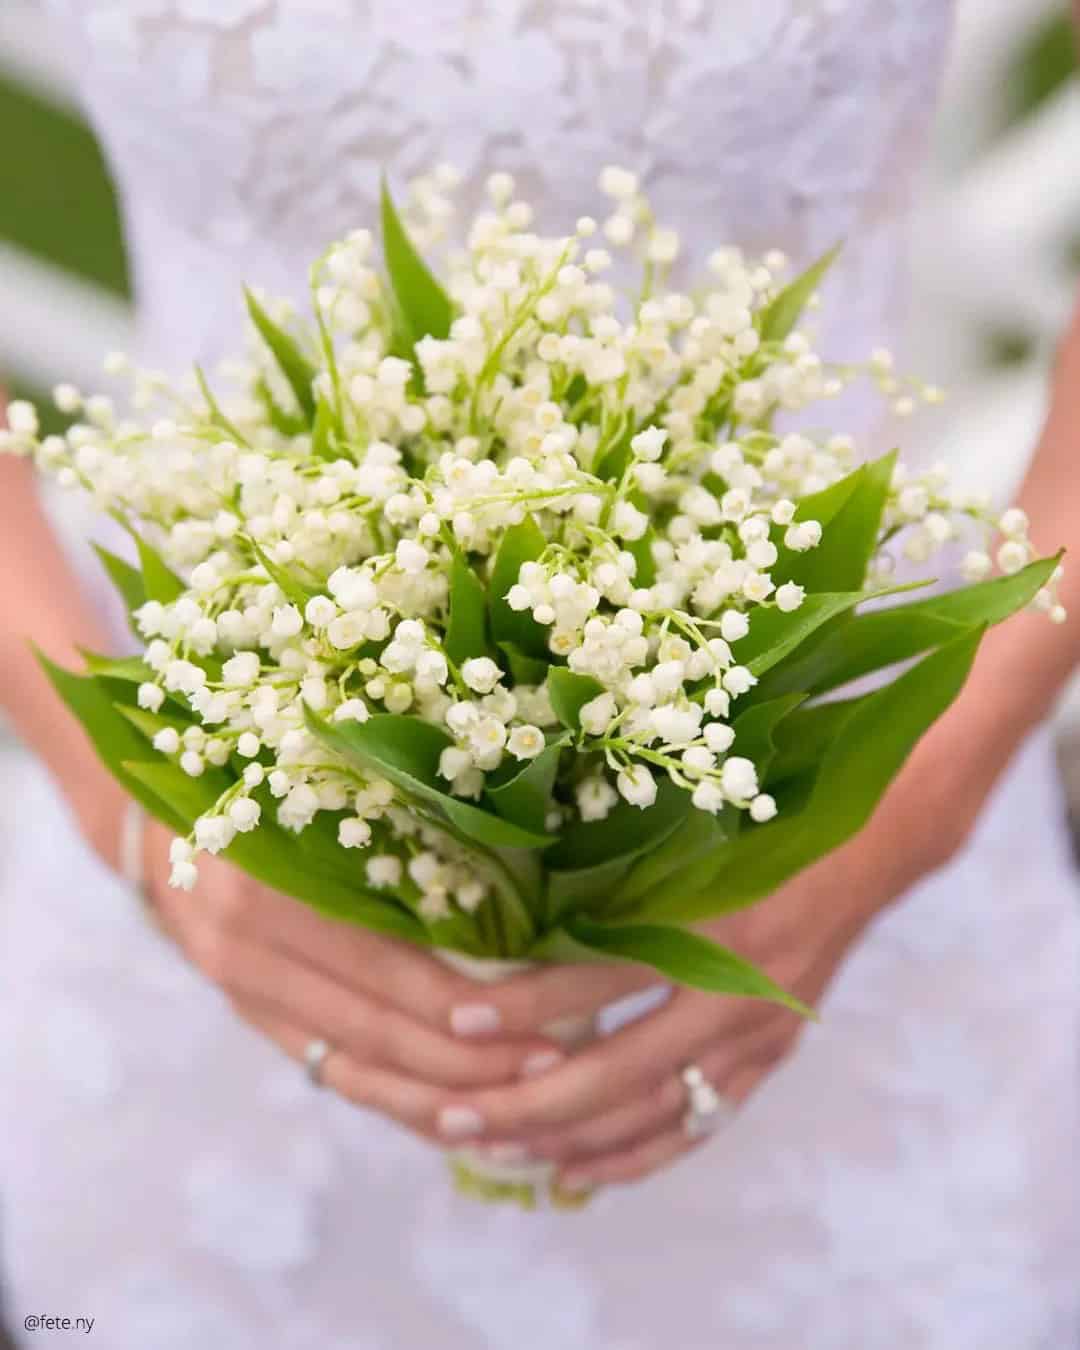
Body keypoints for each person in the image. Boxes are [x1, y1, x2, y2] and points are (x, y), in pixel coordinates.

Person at [1, 3, 1078, 1346]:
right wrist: (133, 820)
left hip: (851, 869)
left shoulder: (891, 828)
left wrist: (917, 796)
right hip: (207, 913)